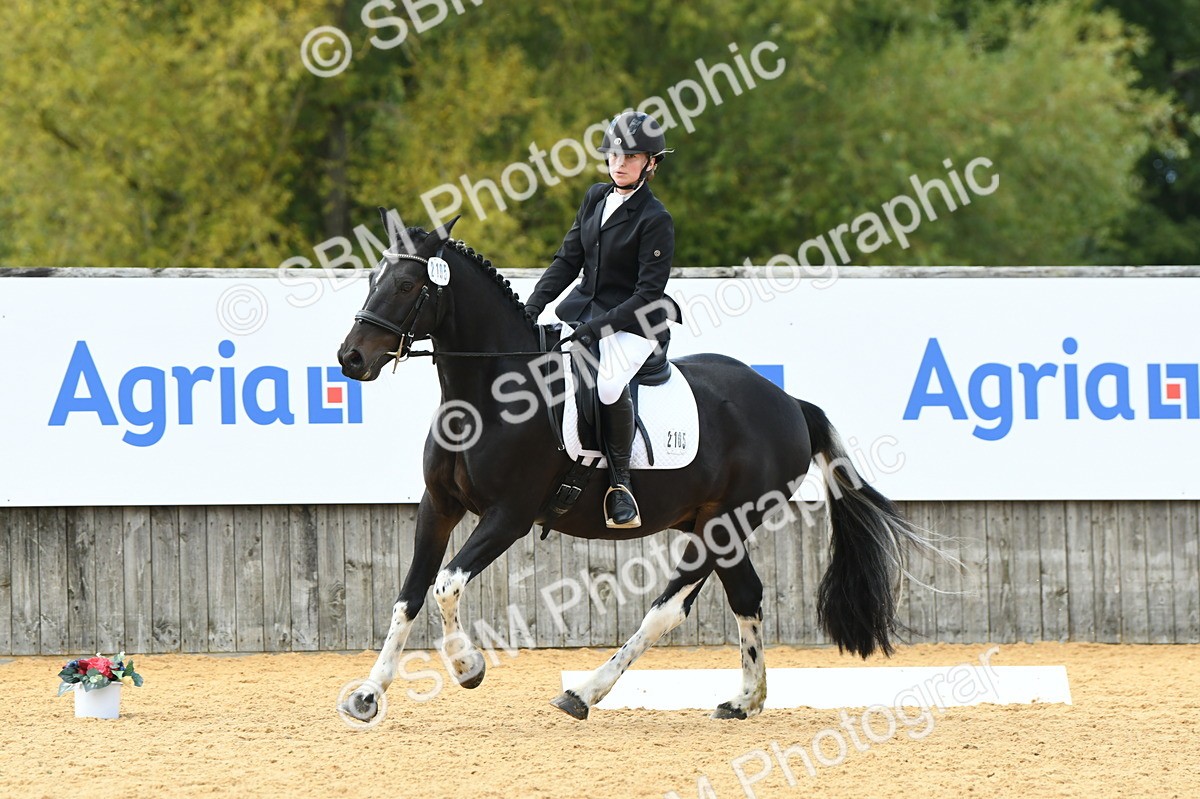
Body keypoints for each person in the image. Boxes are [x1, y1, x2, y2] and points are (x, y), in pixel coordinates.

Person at [524, 111, 680, 529]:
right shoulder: (595, 197)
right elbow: (567, 260)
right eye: (614, 154)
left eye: (631, 157)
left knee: (608, 382)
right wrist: (531, 306)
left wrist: (594, 329)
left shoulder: (655, 219)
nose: (619, 163)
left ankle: (620, 484)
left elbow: (647, 294)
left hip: (637, 323)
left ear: (650, 163)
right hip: (585, 312)